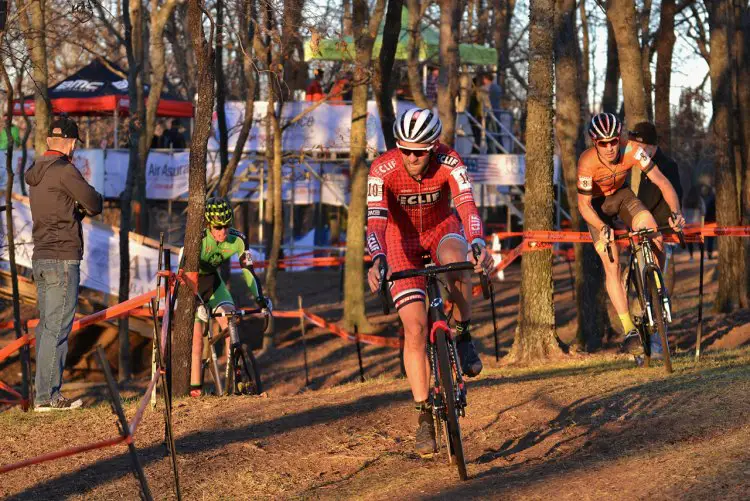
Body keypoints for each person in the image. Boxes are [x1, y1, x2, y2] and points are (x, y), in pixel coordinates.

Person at [365, 108, 493, 456]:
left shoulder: (450, 161)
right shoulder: (382, 169)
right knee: (416, 329)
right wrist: (377, 258)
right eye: (404, 149)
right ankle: (423, 416)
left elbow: (466, 206)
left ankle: (464, 333)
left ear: (433, 147)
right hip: (399, 242)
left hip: (440, 229)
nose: (411, 157)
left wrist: (478, 241)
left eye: (418, 151)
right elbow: (375, 221)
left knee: (458, 262)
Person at [576, 113, 684, 356]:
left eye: (613, 140)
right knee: (610, 260)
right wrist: (603, 228)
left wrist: (676, 213)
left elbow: (663, 182)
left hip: (621, 197)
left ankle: (656, 287)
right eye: (603, 143)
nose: (610, 147)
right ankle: (629, 331)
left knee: (653, 231)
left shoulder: (633, 150)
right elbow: (583, 206)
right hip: (596, 208)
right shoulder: (586, 162)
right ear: (595, 142)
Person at [24, 116, 103, 411]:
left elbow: (60, 210)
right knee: (57, 329)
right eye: (74, 144)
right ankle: (48, 398)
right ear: (69, 143)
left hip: (42, 256)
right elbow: (93, 203)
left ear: (48, 142)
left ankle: (42, 394)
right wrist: (87, 203)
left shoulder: (35, 173)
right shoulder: (65, 171)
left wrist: (73, 210)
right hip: (62, 258)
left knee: (46, 327)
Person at [185, 197, 272, 397]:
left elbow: (248, 271)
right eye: (218, 227)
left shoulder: (238, 239)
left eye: (226, 226)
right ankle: (195, 390)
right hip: (192, 286)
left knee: (230, 320)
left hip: (214, 284)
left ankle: (236, 380)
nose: (223, 231)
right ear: (208, 224)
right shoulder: (198, 239)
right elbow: (185, 275)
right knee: (197, 341)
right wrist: (197, 301)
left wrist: (260, 299)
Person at [682, 185, 706, 260]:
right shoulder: (699, 200)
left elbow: (682, 212)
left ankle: (691, 256)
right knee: (700, 241)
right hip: (697, 224)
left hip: (688, 224)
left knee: (689, 241)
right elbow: (704, 211)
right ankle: (703, 257)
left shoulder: (685, 200)